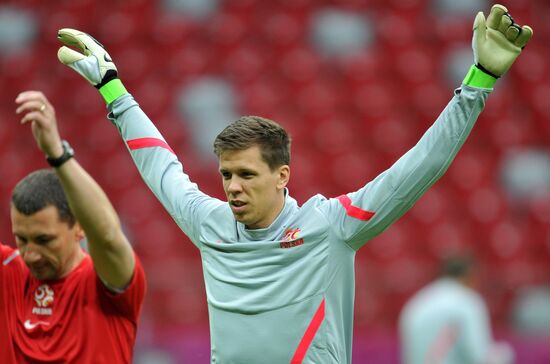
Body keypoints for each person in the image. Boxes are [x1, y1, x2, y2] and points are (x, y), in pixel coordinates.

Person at [55, 4, 532, 363]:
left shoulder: (331, 226)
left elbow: (420, 165)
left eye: (246, 175)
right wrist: (113, 89)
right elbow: (160, 165)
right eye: (226, 175)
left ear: (282, 176)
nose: (233, 187)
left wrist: (480, 80)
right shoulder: (209, 223)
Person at [0, 91, 146, 363]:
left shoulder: (105, 285)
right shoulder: (7, 272)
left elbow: (108, 236)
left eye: (44, 240)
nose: (30, 254)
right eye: (22, 239)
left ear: (79, 228)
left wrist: (57, 154)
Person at [398, 256, 514, 364]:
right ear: (469, 274)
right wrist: (505, 354)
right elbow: (479, 355)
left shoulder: (416, 303)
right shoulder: (467, 301)